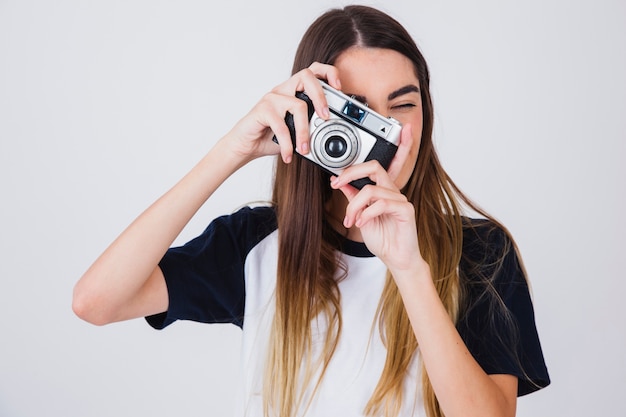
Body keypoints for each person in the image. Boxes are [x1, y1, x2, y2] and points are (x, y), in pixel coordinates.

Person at [72, 5, 550, 417]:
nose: (384, 131)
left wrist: (408, 268)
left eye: (402, 105)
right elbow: (97, 302)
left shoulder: (482, 252)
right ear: (315, 110)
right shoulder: (258, 244)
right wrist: (232, 150)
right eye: (355, 110)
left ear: (426, 112)